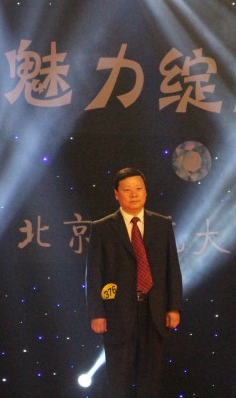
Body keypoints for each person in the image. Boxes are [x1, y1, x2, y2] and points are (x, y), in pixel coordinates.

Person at [86, 167, 184, 398]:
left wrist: (174, 307)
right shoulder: (102, 228)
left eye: (138, 189)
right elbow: (94, 274)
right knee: (119, 379)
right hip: (117, 313)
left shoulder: (162, 224)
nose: (134, 194)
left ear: (146, 192)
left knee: (150, 380)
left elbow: (172, 268)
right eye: (127, 190)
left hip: (154, 312)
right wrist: (96, 313)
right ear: (116, 194)